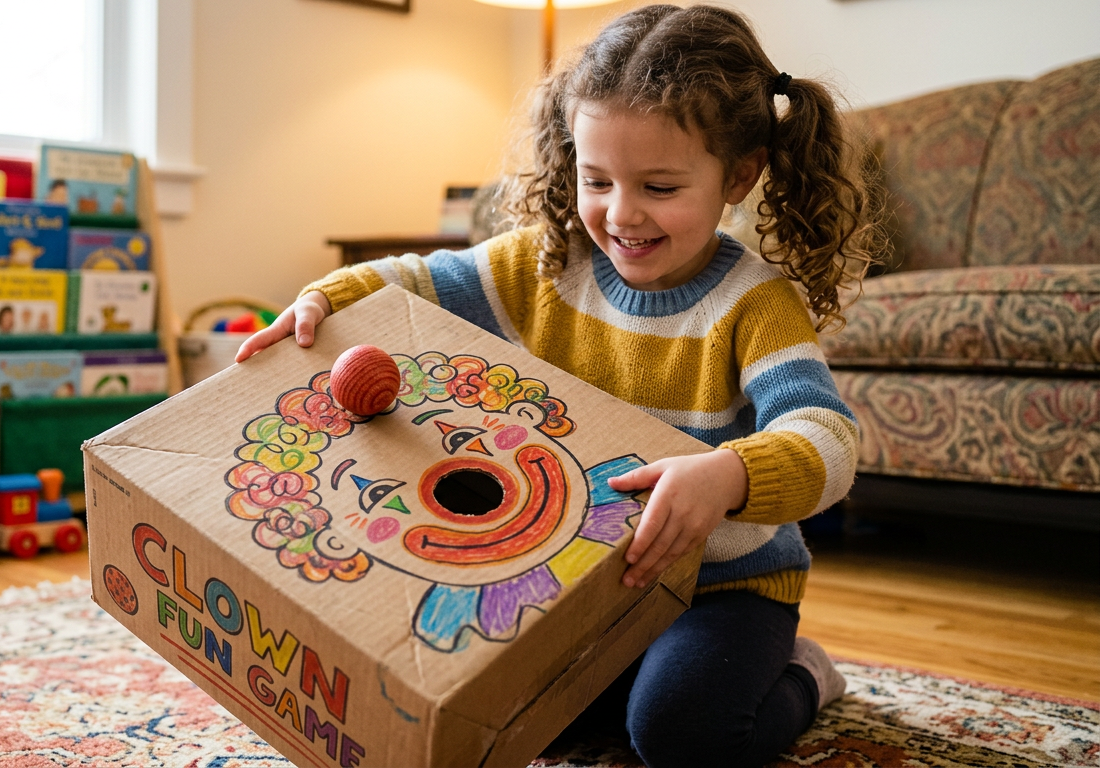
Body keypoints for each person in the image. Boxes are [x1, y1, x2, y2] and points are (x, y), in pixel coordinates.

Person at [236, 5, 884, 766]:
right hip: (585, 589)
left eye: (661, 186)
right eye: (596, 179)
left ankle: (805, 674)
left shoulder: (756, 304)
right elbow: (409, 281)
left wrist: (731, 474)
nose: (621, 213)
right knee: (511, 717)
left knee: (681, 735)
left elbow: (828, 437)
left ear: (738, 175)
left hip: (725, 588)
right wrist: (323, 299)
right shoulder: (540, 265)